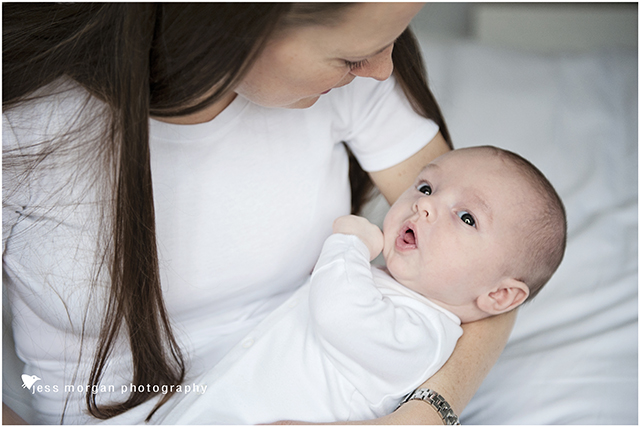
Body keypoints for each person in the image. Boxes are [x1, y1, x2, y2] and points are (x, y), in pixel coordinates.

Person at [2, 4, 516, 425]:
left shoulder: (360, 84)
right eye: (351, 57)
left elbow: (491, 266)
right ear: (232, 27)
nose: (383, 70)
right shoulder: (22, 129)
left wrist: (420, 417)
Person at [149, 146, 566, 425]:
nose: (424, 203)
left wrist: (348, 243)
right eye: (426, 186)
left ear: (499, 296)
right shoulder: (382, 285)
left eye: (466, 217)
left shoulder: (423, 335)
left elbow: (339, 313)